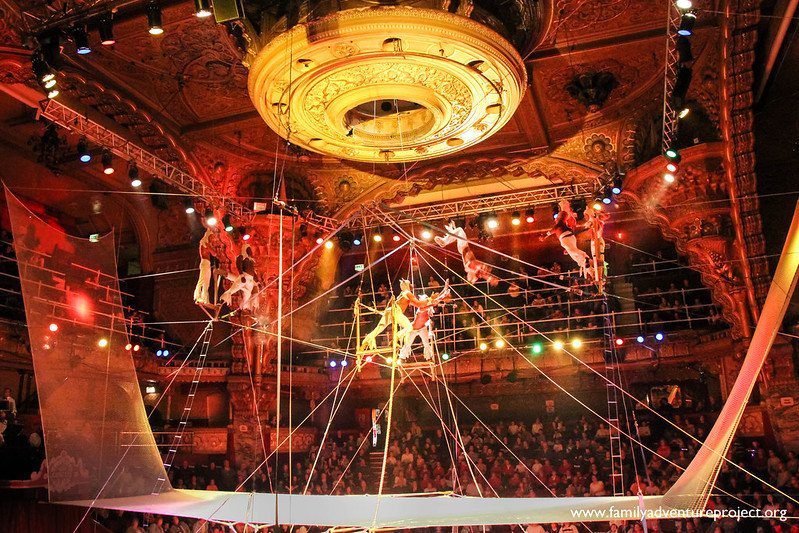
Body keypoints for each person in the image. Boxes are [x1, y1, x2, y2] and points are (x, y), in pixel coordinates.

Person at [540, 199, 592, 278]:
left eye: (557, 218)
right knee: (573, 254)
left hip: (566, 238)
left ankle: (585, 258)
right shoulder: (561, 223)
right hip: (568, 238)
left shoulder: (560, 223)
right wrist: (545, 235)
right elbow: (556, 228)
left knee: (573, 252)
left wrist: (545, 235)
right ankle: (588, 267)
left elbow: (555, 228)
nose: (555, 219)